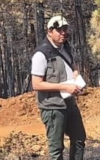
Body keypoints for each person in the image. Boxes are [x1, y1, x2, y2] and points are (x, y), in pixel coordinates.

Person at [31, 15, 86, 160]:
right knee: (56, 148)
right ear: (49, 31)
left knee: (79, 138)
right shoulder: (41, 54)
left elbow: (73, 66)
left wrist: (76, 76)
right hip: (53, 106)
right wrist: (64, 87)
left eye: (65, 30)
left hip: (69, 102)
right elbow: (36, 84)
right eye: (59, 30)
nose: (63, 33)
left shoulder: (64, 47)